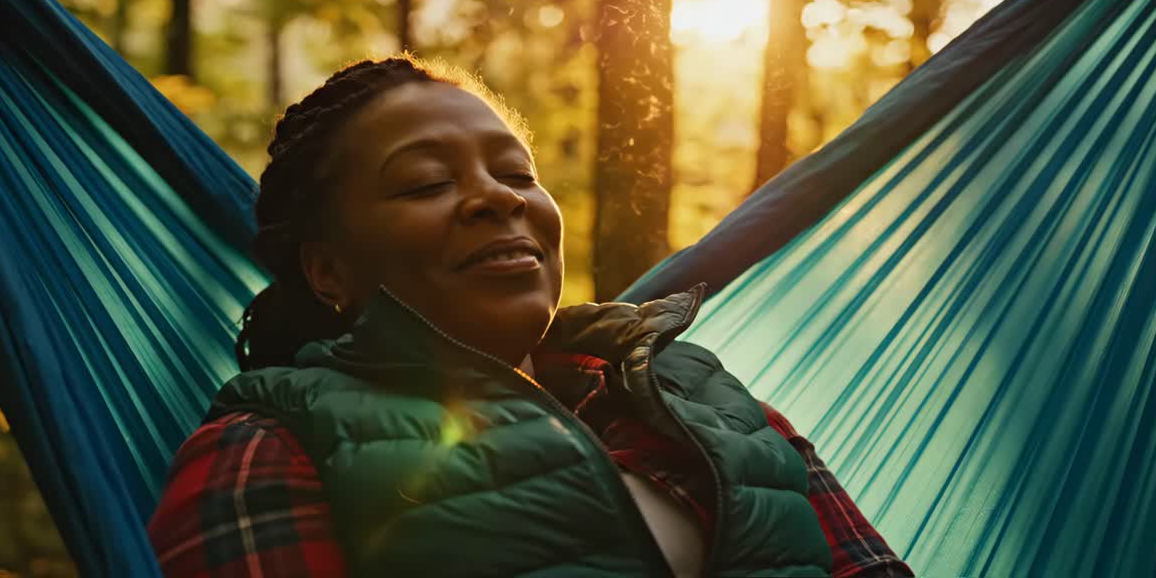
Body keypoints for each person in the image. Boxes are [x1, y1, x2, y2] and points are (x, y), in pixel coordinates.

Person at [147, 55, 913, 578]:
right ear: (328, 269)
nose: (500, 197)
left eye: (516, 172)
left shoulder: (711, 403)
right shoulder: (271, 446)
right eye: (423, 184)